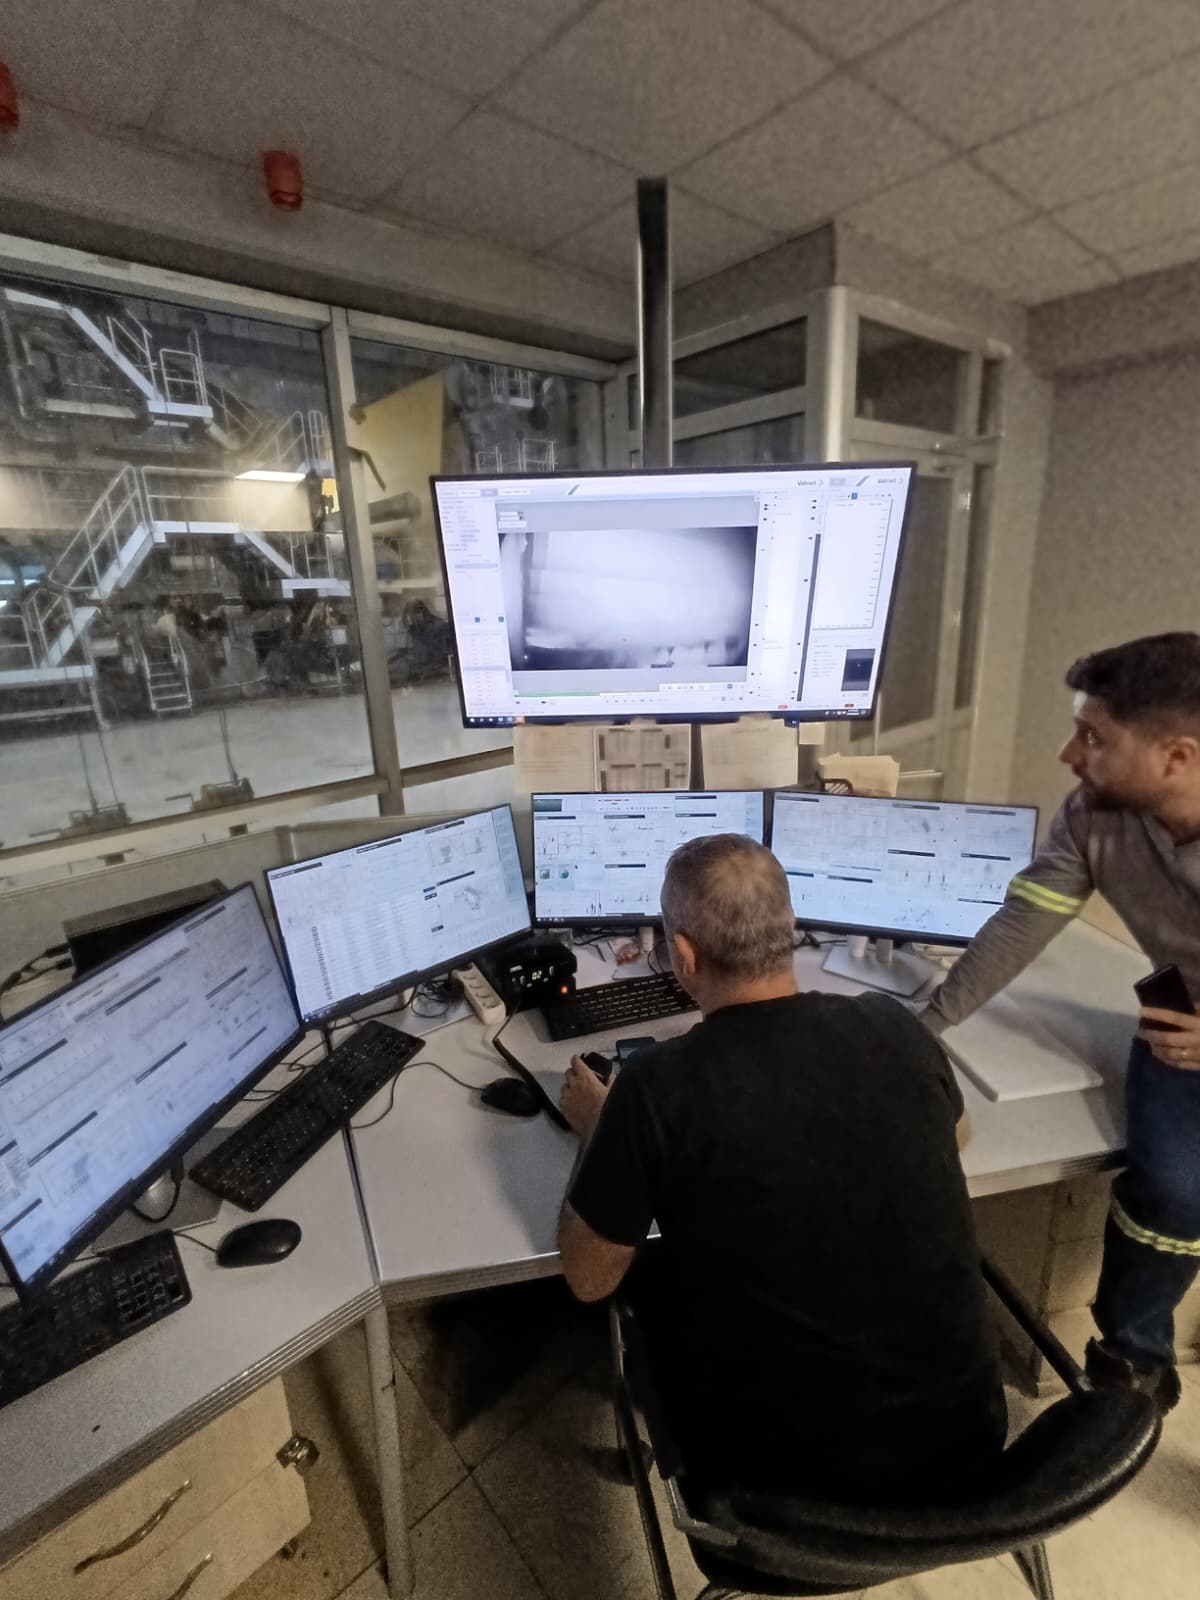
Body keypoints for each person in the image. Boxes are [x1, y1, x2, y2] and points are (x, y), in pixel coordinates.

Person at [557, 834, 1005, 1504]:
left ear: (684, 956)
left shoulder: (658, 1087)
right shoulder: (894, 1027)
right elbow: (957, 1134)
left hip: (779, 1501)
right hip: (968, 1466)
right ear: (788, 928)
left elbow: (588, 1278)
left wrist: (600, 1130)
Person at [924, 632, 1200, 1414]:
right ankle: (1134, 1356)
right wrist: (923, 1028)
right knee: (1173, 1190)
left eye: (1093, 738)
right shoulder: (1094, 816)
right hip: (1180, 1014)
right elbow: (1022, 923)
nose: (1067, 754)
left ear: (1177, 757)